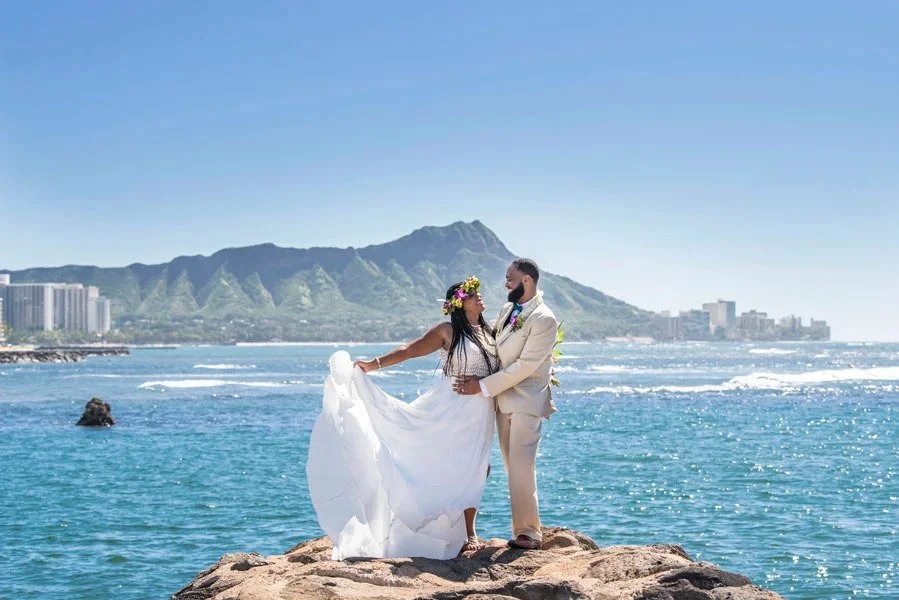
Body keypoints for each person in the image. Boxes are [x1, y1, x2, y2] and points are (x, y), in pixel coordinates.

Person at [306, 276, 499, 559]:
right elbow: (411, 350)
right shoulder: (448, 330)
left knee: (479, 467)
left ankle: (465, 530)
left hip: (481, 410)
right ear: (460, 302)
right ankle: (466, 533)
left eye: (479, 293)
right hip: (450, 408)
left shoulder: (489, 332)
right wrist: (374, 364)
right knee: (454, 465)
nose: (480, 297)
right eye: (472, 294)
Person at [454, 258, 558, 550]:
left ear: (527, 280)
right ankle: (522, 529)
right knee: (513, 467)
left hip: (526, 400)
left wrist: (482, 386)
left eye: (510, 279)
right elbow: (496, 351)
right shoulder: (507, 310)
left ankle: (530, 533)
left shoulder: (544, 318)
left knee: (523, 465)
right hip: (501, 401)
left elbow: (526, 365)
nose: (505, 284)